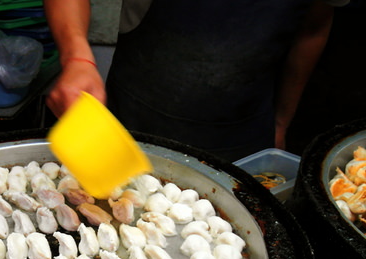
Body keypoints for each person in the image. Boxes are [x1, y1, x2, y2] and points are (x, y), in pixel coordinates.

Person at [43, 0, 349, 161]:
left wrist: (282, 122)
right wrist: (77, 58)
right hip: (131, 116)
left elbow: (313, 27)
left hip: (244, 134)